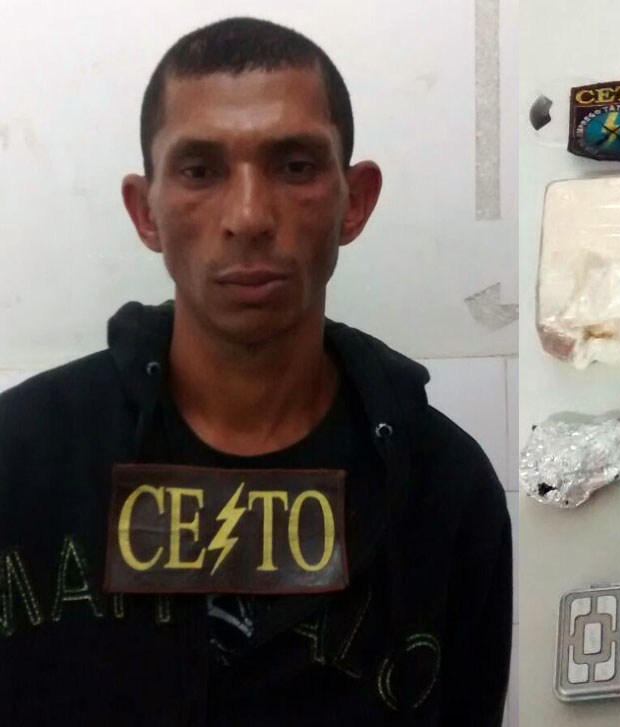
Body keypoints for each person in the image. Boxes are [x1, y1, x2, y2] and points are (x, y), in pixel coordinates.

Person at [0, 17, 511, 726]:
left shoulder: (446, 488)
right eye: (200, 170)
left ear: (355, 202)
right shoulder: (18, 460)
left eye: (294, 166)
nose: (248, 216)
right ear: (145, 212)